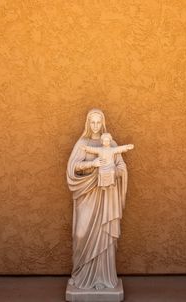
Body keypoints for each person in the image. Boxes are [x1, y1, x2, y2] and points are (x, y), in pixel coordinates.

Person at [67, 108, 129, 290]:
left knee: (104, 235)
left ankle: (102, 278)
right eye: (92, 122)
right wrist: (92, 164)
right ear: (88, 123)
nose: (95, 126)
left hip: (106, 196)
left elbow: (122, 167)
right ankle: (80, 275)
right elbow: (72, 168)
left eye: (98, 122)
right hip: (87, 195)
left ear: (103, 123)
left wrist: (112, 172)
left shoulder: (111, 143)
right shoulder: (82, 143)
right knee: (80, 234)